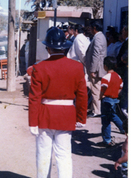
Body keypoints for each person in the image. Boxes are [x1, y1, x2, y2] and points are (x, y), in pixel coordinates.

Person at [29, 27, 88, 178]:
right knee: (64, 155)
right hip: (66, 115)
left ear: (48, 48)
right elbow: (82, 95)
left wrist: (32, 122)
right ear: (65, 47)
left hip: (45, 115)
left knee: (43, 154)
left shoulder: (39, 67)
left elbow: (34, 97)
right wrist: (81, 117)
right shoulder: (77, 67)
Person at [99, 56, 124, 147]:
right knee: (113, 115)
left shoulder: (105, 77)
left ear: (105, 66)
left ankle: (107, 140)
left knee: (106, 120)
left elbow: (104, 87)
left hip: (107, 100)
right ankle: (124, 129)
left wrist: (101, 95)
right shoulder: (118, 76)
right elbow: (120, 87)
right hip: (115, 99)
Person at [85, 21, 107, 117]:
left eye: (91, 28)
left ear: (94, 28)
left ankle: (97, 111)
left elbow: (96, 54)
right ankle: (95, 109)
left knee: (95, 89)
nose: (90, 29)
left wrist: (93, 69)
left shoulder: (98, 37)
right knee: (95, 89)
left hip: (97, 69)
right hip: (97, 68)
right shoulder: (99, 37)